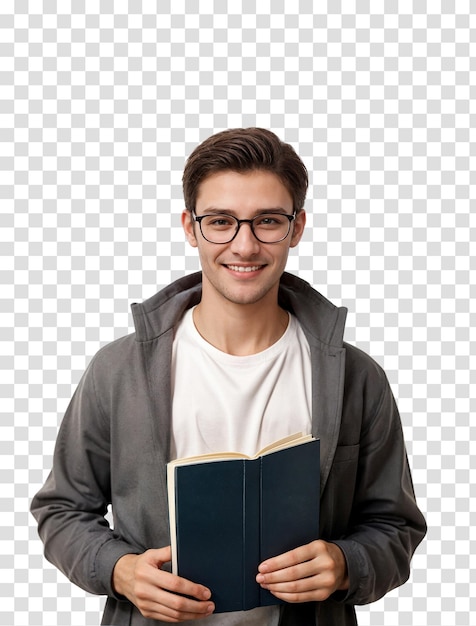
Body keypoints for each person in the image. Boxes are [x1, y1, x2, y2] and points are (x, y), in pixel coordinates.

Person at [31, 128, 426, 625]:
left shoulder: (357, 377)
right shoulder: (118, 369)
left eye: (267, 222)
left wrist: (347, 565)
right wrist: (120, 570)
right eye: (220, 221)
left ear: (296, 228)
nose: (244, 245)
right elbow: (61, 508)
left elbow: (396, 527)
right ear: (190, 228)